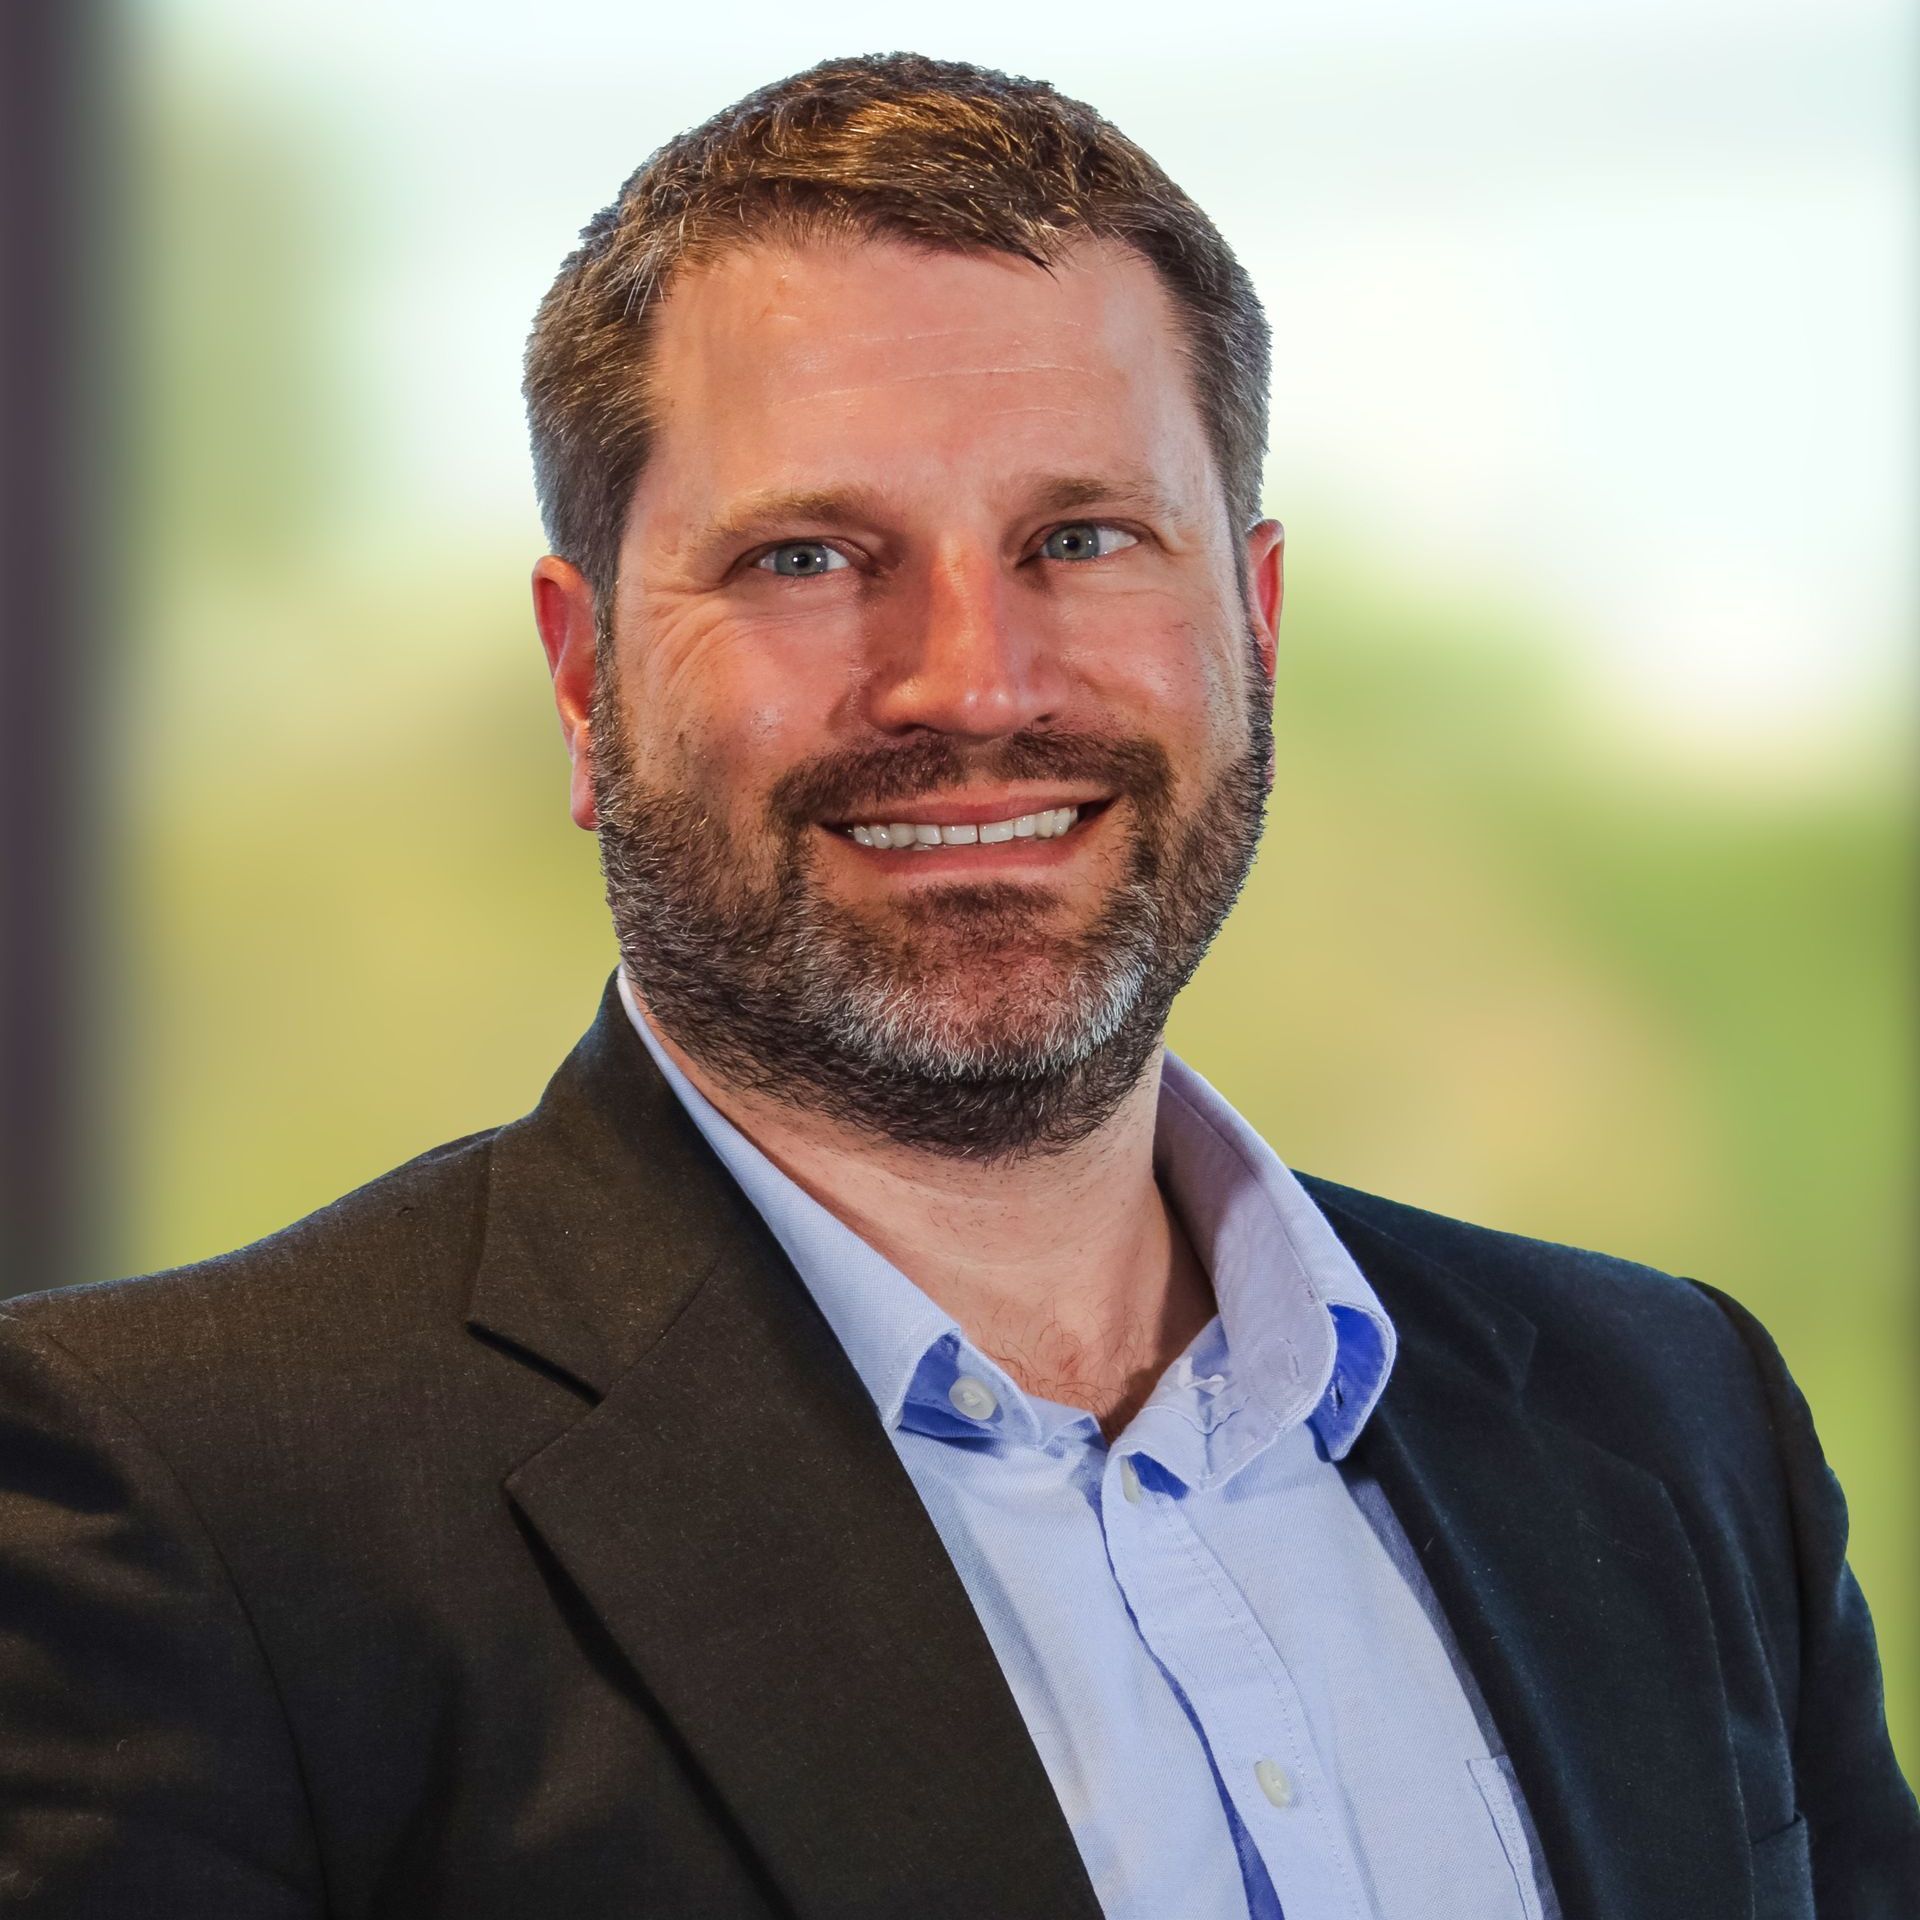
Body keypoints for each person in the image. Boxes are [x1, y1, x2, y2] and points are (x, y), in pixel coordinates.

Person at [0, 51, 1911, 1920]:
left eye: (1080, 539)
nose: (973, 684)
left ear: (1251, 623)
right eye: (811, 555)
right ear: (585, 681)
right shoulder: (189, 1496)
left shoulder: (1672, 1418)